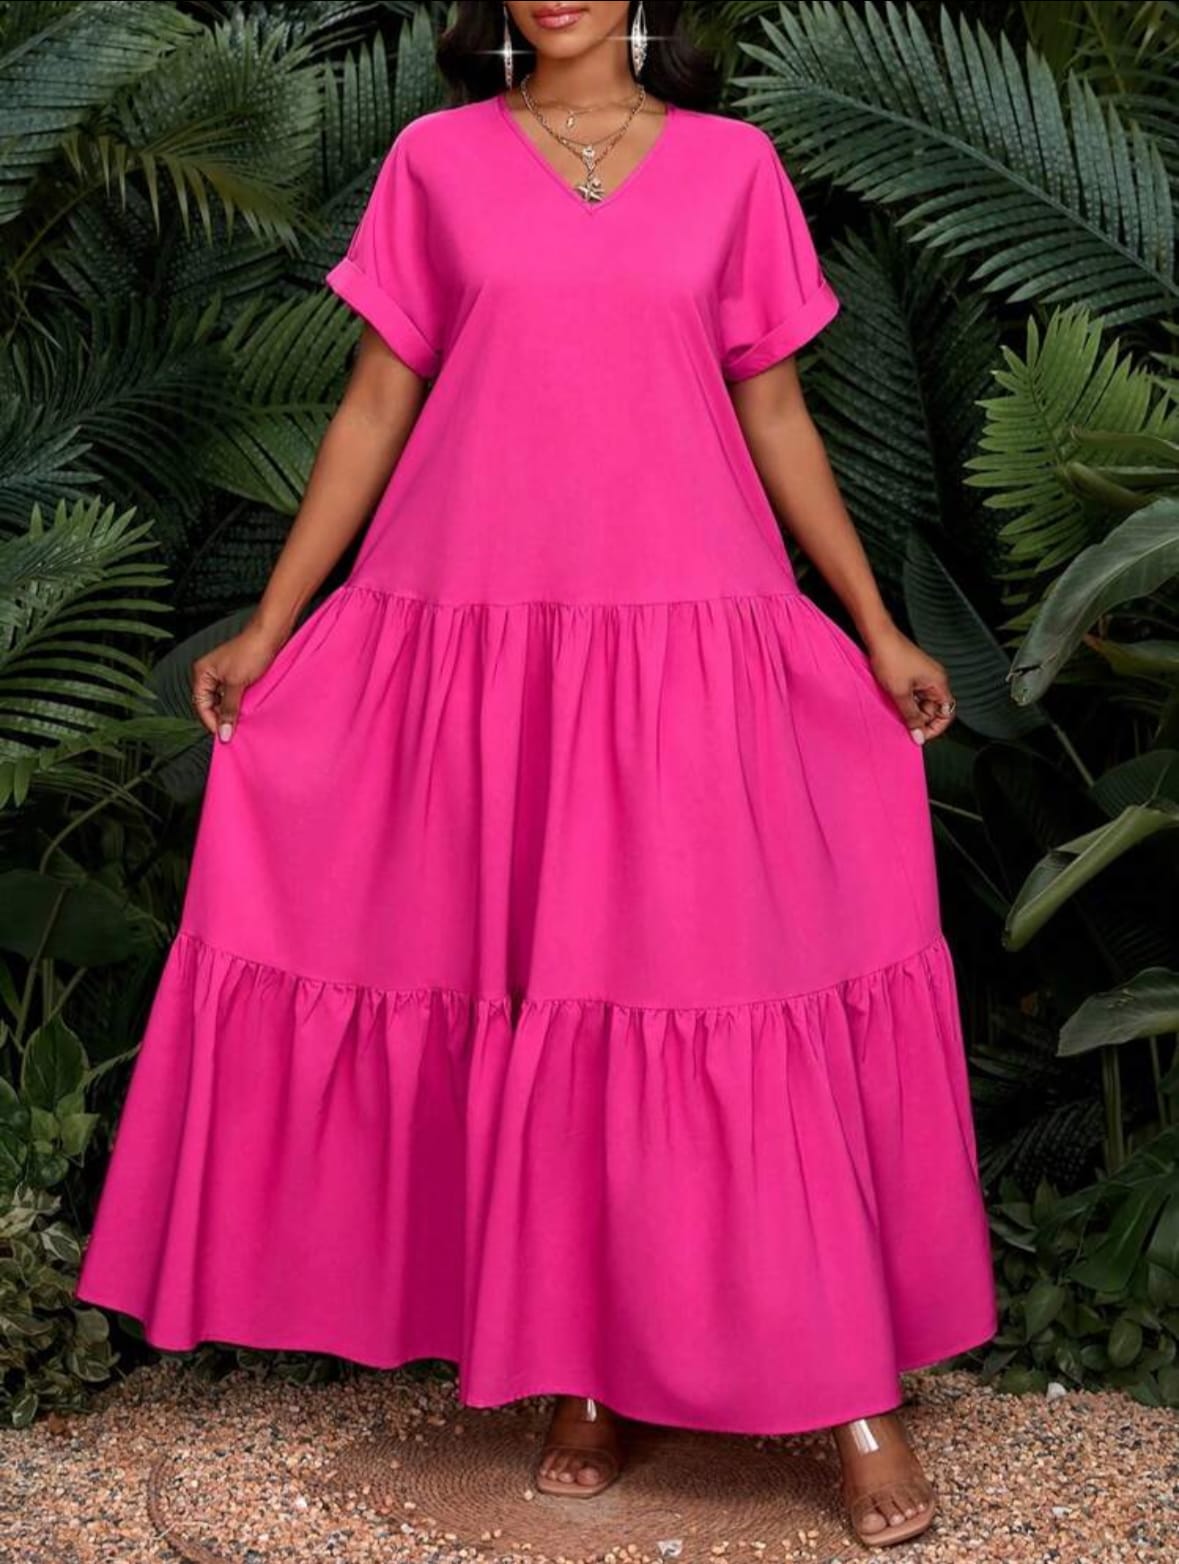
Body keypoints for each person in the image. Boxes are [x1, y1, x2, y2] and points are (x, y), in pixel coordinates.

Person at [74, 0, 999, 1549]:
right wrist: (275, 623)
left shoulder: (731, 167)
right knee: (545, 1000)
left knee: (726, 989)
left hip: (686, 638)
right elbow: (380, 400)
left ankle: (855, 1392)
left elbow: (775, 407)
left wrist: (875, 623)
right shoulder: (436, 162)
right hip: (474, 635)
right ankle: (584, 1371)